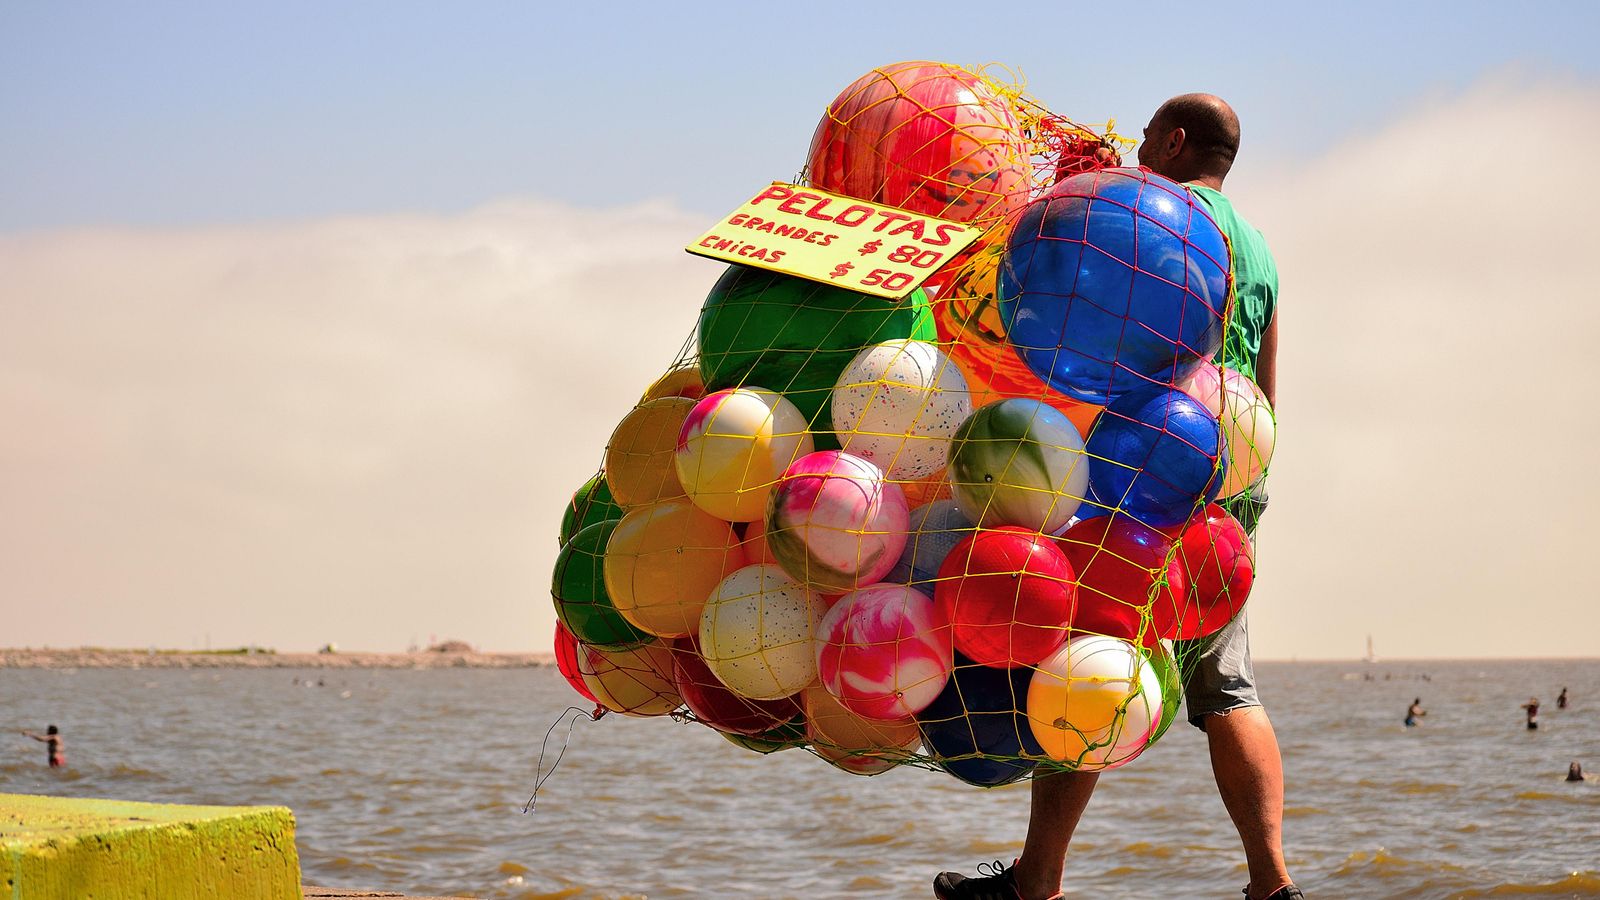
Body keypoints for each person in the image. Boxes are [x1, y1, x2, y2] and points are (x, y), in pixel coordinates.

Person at [934, 94, 1297, 900]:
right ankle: (1271, 883)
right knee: (1227, 687)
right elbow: (1266, 396)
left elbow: (1095, 332)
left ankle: (1038, 882)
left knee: (1087, 657)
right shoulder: (1261, 250)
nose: (1135, 155)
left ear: (1172, 141)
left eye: (1144, 141)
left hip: (1138, 473)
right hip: (1228, 482)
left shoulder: (1153, 214)